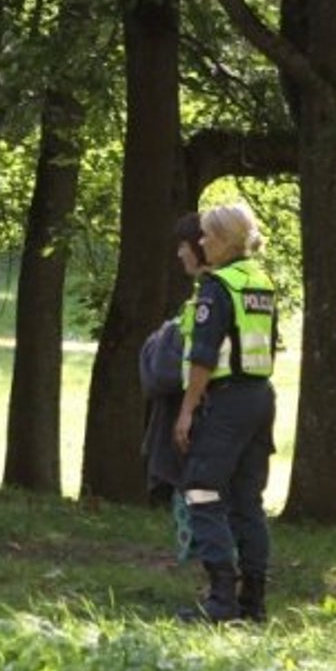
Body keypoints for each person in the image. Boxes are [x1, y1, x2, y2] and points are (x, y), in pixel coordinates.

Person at [173, 203, 279, 624]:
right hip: (260, 397)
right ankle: (253, 603)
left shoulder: (217, 286)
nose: (200, 243)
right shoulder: (260, 282)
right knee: (247, 501)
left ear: (226, 241)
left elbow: (203, 357)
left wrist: (186, 411)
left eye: (207, 237)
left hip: (227, 402)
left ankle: (221, 601)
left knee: (202, 489)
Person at [140, 212, 208, 561]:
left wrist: (158, 342)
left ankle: (204, 568)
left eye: (184, 245)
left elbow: (167, 369)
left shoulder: (213, 299)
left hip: (204, 415)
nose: (180, 253)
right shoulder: (200, 300)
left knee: (201, 495)